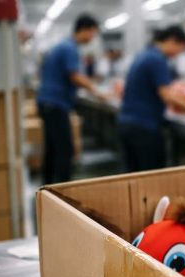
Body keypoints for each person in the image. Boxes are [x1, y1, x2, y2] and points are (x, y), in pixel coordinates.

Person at [118, 25, 185, 172]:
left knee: (134, 175)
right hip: (144, 127)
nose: (179, 54)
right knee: (151, 175)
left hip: (127, 123)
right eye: (180, 48)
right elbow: (166, 94)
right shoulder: (157, 60)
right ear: (172, 41)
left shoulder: (145, 55)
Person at [36, 14, 106, 184]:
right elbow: (74, 76)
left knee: (52, 149)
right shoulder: (70, 48)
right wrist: (97, 91)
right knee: (65, 150)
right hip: (55, 104)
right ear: (84, 30)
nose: (92, 38)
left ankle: (48, 186)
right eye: (92, 33)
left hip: (47, 102)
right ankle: (63, 192)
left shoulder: (64, 46)